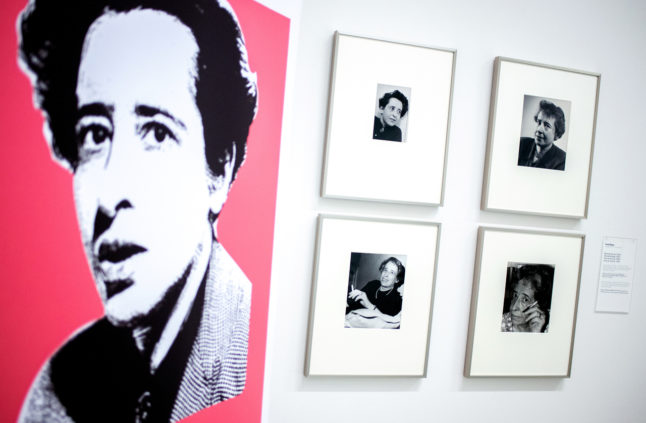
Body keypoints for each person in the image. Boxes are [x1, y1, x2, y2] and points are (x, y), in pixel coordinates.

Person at [17, 0, 257, 421]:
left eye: (158, 133)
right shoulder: (58, 390)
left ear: (218, 171)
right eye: (94, 134)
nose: (109, 196)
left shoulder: (248, 345)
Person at [501, 265, 553, 333]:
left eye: (525, 300)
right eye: (515, 295)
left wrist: (535, 334)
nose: (513, 307)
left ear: (540, 304)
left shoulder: (551, 328)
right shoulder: (501, 323)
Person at [517, 100, 567, 171]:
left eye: (547, 125)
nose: (539, 129)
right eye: (539, 122)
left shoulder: (562, 160)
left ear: (557, 134)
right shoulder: (521, 144)